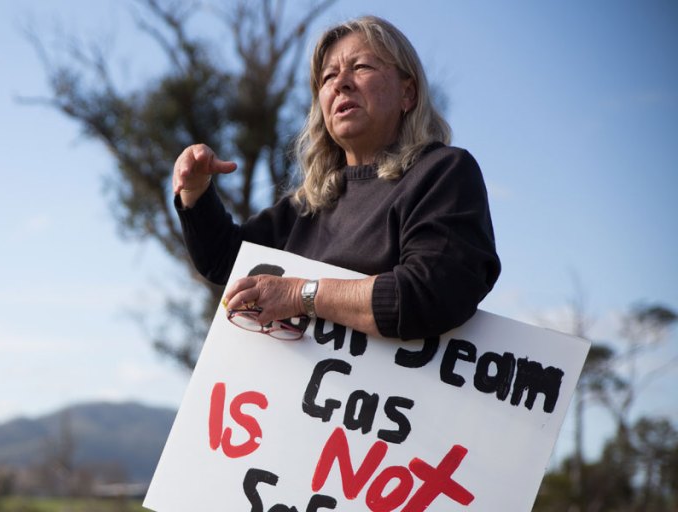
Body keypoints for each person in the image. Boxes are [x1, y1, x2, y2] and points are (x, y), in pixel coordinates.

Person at [172, 15, 500, 341]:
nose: (341, 82)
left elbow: (431, 292)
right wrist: (196, 191)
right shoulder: (308, 205)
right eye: (329, 76)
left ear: (408, 94)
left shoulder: (442, 174)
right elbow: (225, 261)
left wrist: (303, 295)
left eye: (361, 67)